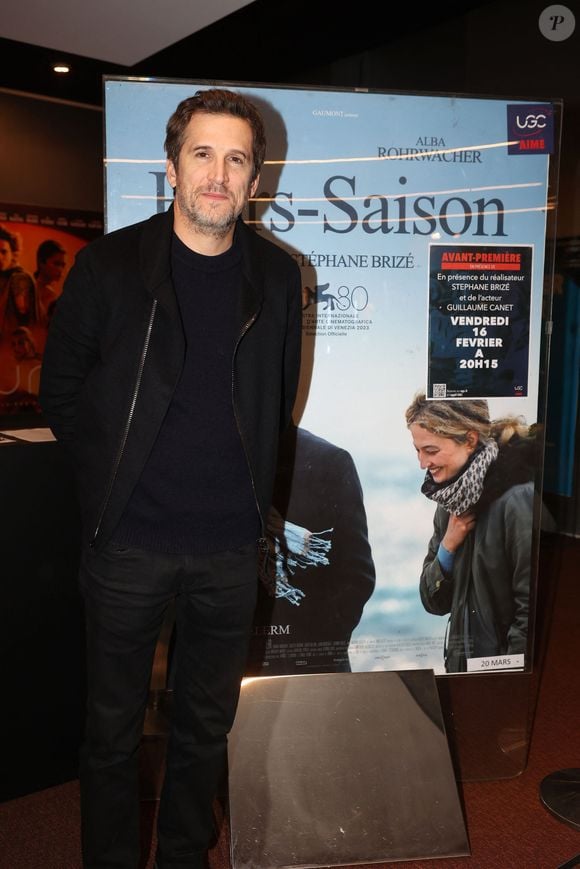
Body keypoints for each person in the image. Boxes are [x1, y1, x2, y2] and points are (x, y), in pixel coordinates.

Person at [39, 88, 302, 869]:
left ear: (255, 177)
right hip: (128, 547)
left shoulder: (279, 279)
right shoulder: (109, 267)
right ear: (172, 166)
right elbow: (61, 392)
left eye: (236, 158)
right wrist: (117, 490)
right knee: (113, 733)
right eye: (202, 154)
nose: (218, 174)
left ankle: (186, 857)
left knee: (204, 729)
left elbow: (274, 398)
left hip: (228, 551)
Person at [405, 393, 536, 674]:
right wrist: (448, 546)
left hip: (500, 678)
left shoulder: (518, 499)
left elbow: (531, 612)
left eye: (431, 450)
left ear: (470, 440)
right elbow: (433, 602)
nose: (422, 463)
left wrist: (505, 678)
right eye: (417, 450)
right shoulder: (451, 500)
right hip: (464, 671)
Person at [245, 424, 376, 675]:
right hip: (231, 667)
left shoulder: (328, 461)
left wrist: (313, 651)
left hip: (312, 669)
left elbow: (357, 578)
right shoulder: (210, 460)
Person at [34, 239, 67, 325]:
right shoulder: (26, 288)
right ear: (41, 262)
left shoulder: (54, 297)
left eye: (62, 265)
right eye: (56, 264)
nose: (60, 270)